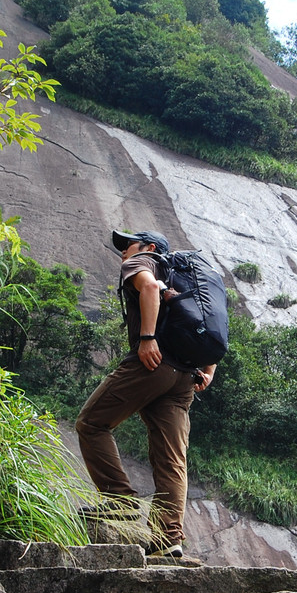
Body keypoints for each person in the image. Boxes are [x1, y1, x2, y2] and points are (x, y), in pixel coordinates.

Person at [75, 230, 216, 558]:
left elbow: (150, 287)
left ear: (150, 248)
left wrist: (147, 338)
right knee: (172, 459)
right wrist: (208, 370)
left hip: (154, 364)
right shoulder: (189, 279)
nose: (124, 252)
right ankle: (168, 539)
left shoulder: (144, 263)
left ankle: (120, 502)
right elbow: (212, 325)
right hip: (186, 377)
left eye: (128, 245)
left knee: (91, 423)